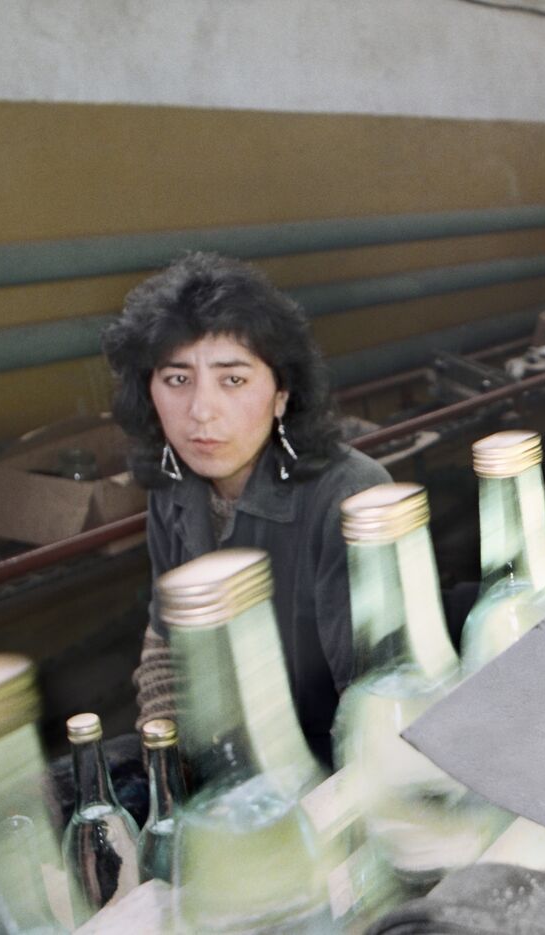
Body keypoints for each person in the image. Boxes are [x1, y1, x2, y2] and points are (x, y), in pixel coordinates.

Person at [101, 253, 390, 767]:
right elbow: (165, 643)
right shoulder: (172, 486)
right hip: (224, 759)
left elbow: (378, 704)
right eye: (177, 379)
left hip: (329, 765)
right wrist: (166, 762)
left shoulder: (348, 497)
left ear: (281, 394)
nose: (201, 411)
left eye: (232, 380)